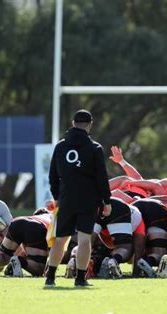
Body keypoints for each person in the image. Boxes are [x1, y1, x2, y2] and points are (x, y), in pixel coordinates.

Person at [45, 109, 112, 288]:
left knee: (60, 239)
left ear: (73, 124)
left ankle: (50, 277)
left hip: (66, 199)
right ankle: (80, 279)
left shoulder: (60, 146)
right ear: (89, 125)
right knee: (84, 239)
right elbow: (101, 178)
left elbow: (52, 175)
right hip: (88, 200)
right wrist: (106, 200)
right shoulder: (95, 148)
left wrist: (57, 196)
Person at [0, 208, 52, 277]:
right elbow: (55, 248)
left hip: (18, 221)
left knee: (4, 256)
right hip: (37, 226)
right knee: (39, 269)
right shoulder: (51, 218)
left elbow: (25, 250)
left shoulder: (32, 217)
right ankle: (19, 261)